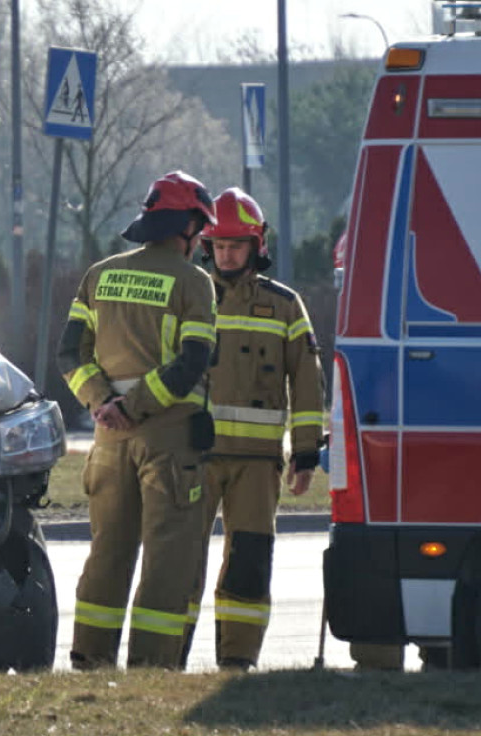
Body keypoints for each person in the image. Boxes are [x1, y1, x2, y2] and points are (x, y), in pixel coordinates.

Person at [57, 171, 220, 670]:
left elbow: (68, 354)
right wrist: (135, 406)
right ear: (188, 225)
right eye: (202, 229)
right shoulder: (195, 283)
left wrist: (102, 402)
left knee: (108, 551)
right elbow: (192, 361)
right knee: (167, 557)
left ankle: (90, 658)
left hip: (107, 440)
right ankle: (152, 668)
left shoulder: (99, 274)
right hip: (166, 438)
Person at [183, 188, 324, 672]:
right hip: (191, 457)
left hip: (258, 463)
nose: (226, 254)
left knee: (249, 564)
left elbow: (307, 382)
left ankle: (237, 663)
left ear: (256, 245)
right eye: (218, 246)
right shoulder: (188, 296)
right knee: (179, 564)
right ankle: (162, 664)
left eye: (235, 245)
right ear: (207, 246)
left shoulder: (285, 306)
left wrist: (306, 455)